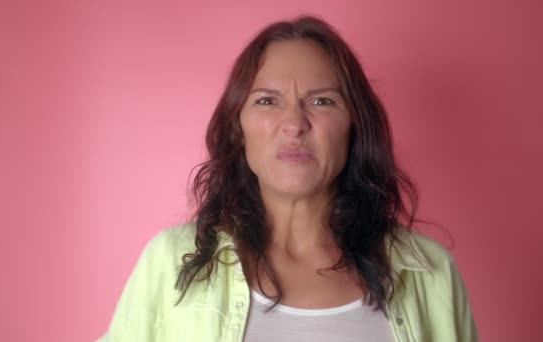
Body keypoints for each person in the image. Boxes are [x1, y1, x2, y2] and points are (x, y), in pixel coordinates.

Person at [98, 15, 478, 342]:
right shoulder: (169, 263)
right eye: (267, 100)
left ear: (354, 126)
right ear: (237, 128)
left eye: (322, 101)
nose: (295, 124)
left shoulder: (430, 272)